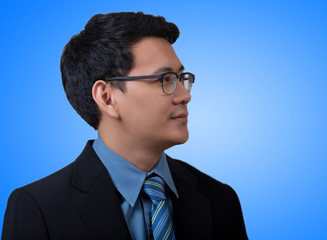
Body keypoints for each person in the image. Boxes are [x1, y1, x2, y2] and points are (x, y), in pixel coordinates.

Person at [2, 12, 248, 240]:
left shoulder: (219, 199)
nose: (185, 95)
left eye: (182, 78)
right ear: (107, 97)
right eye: (165, 79)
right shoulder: (39, 208)